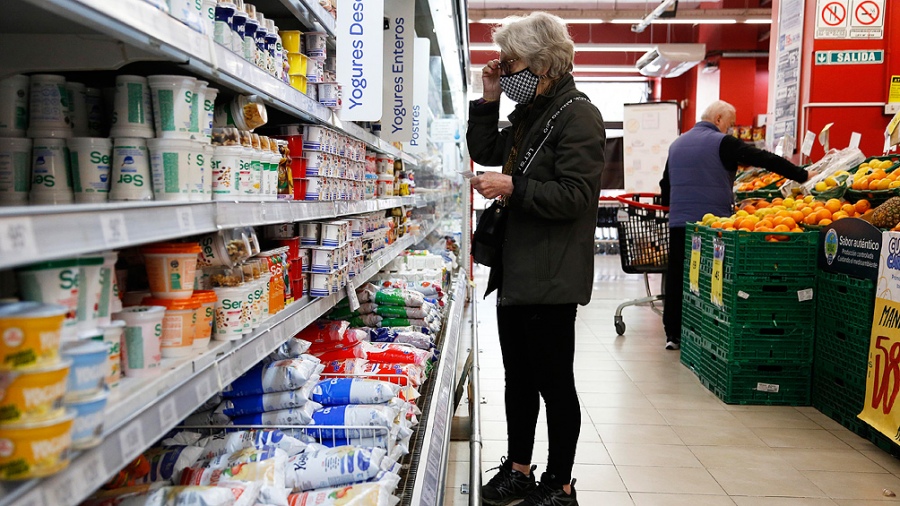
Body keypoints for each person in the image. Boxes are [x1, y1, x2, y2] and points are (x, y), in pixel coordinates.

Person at [466, 12, 605, 506]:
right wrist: (488, 94)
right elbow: (485, 147)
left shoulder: (579, 115)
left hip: (551, 271)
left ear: (544, 63)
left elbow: (575, 196)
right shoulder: (533, 114)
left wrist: (514, 186)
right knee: (518, 380)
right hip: (519, 269)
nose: (507, 70)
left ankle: (561, 483)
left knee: (554, 383)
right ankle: (520, 470)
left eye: (513, 62)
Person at [659, 100, 809, 350]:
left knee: (678, 275)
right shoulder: (722, 142)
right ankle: (709, 329)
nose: (729, 130)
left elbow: (665, 186)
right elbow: (763, 159)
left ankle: (673, 334)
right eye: (729, 124)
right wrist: (802, 175)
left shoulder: (677, 144)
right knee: (712, 276)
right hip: (714, 225)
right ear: (718, 119)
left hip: (679, 222)